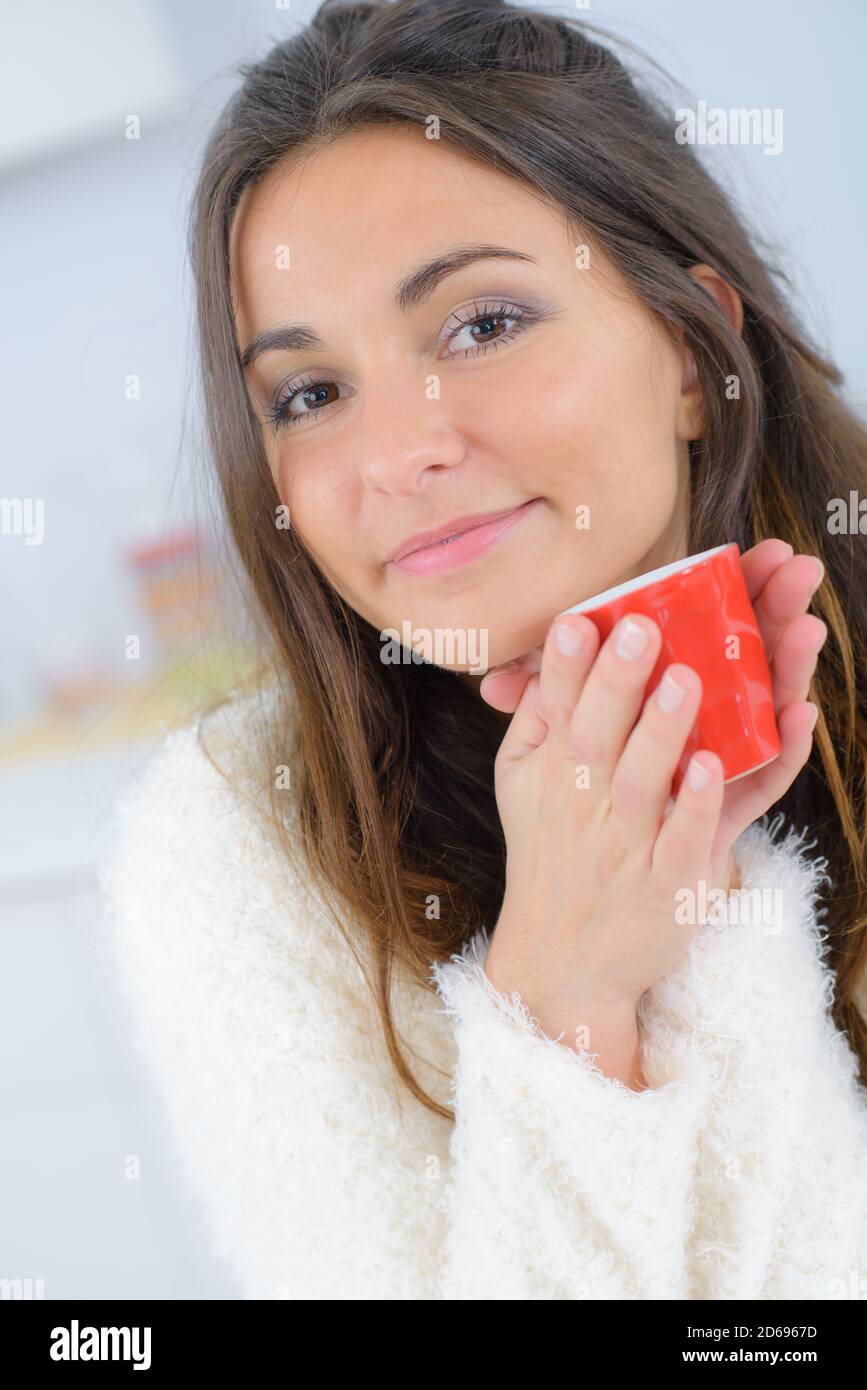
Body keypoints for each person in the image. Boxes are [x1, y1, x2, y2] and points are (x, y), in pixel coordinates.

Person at [100, 0, 867, 1299]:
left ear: (691, 349)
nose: (399, 452)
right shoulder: (234, 843)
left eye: (482, 323)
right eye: (311, 393)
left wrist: (707, 900)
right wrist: (569, 1001)